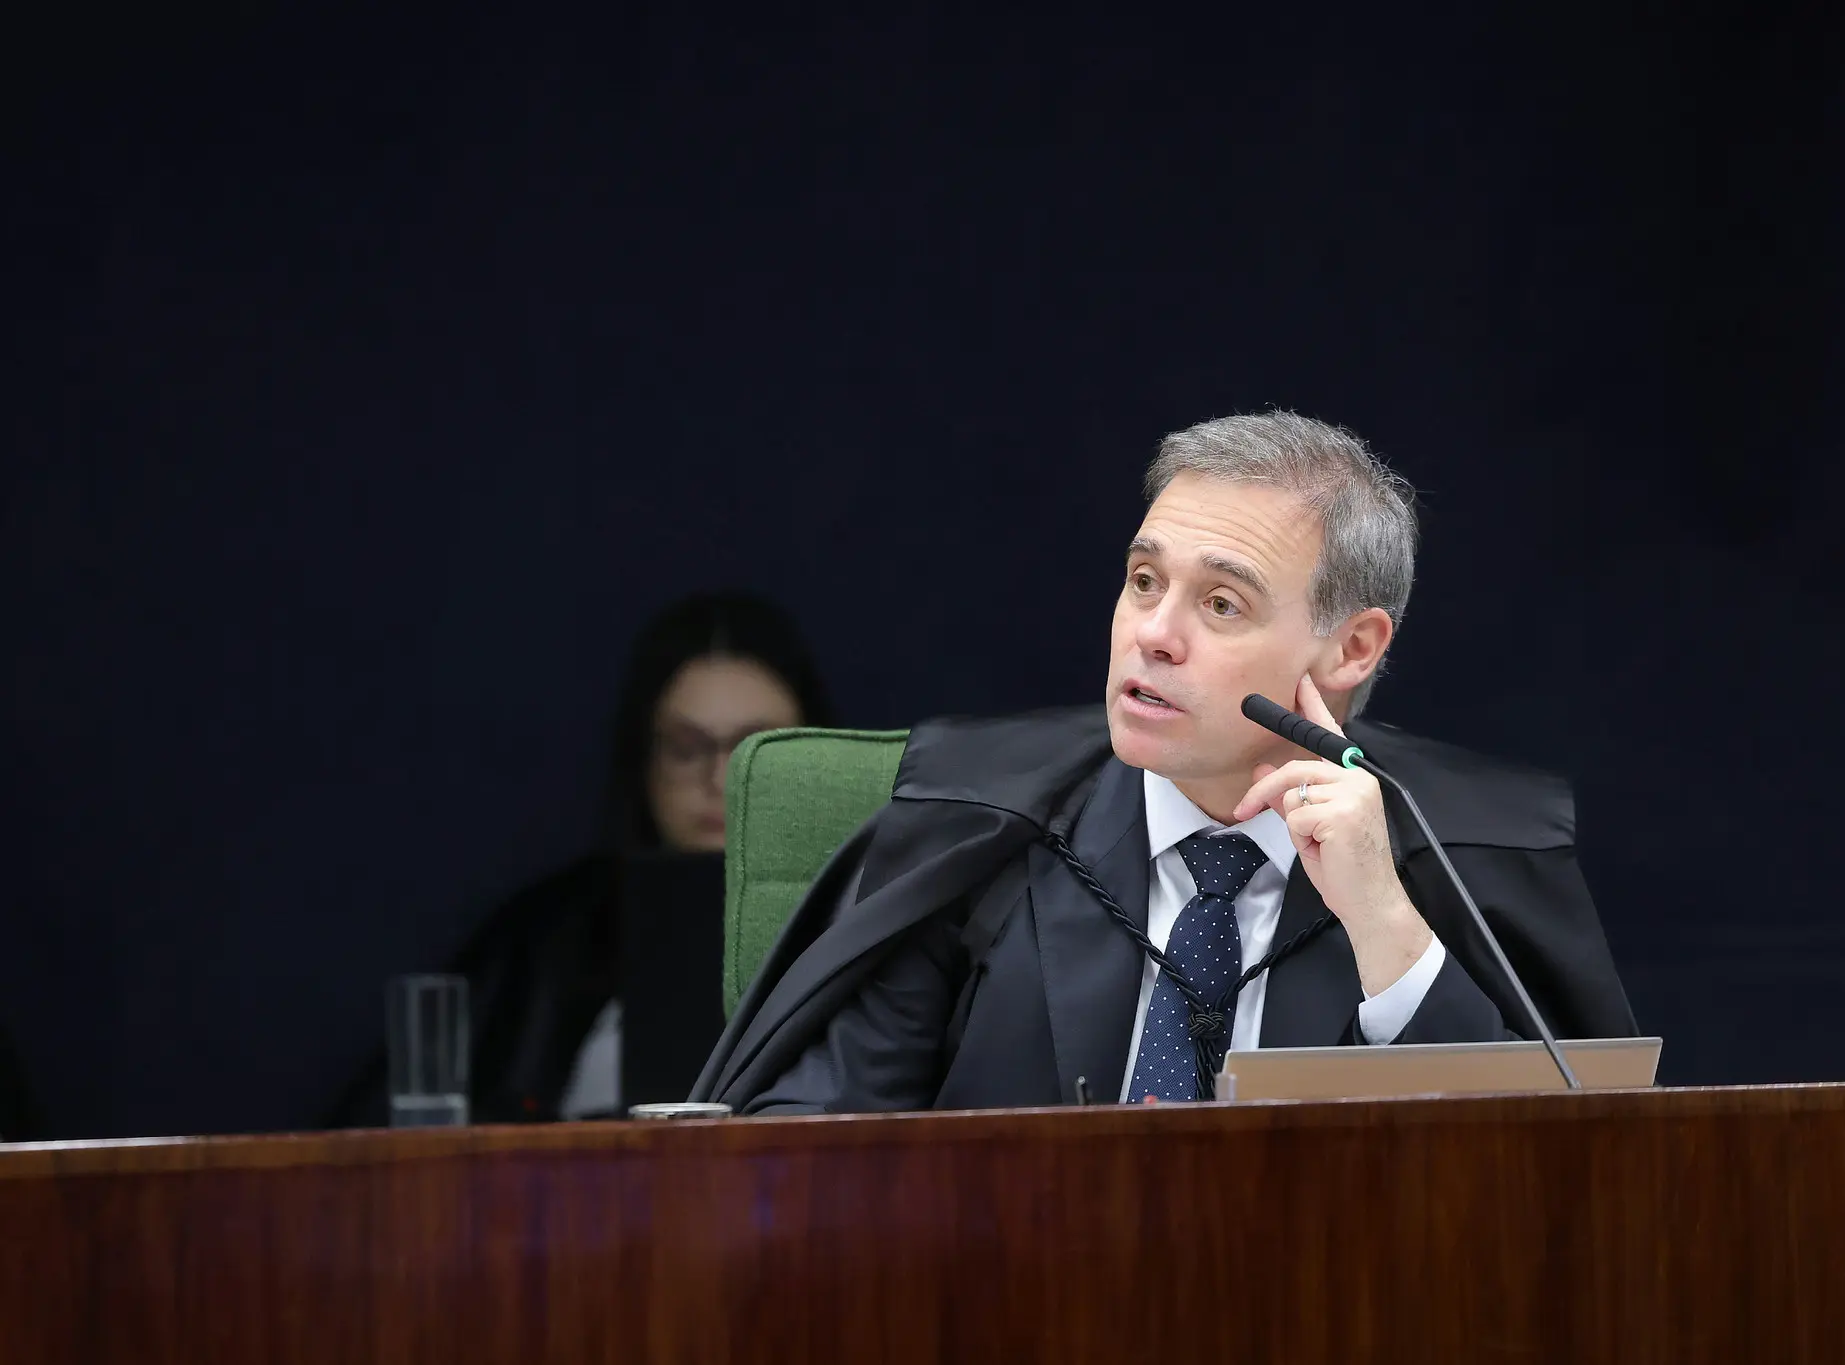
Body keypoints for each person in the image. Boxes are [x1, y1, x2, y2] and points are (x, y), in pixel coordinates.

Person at [696, 412, 1636, 1114]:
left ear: (1352, 648)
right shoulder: (975, 821)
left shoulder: (1466, 855)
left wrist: (1385, 923)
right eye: (1145, 581)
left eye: (1222, 604)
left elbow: (1570, 1192)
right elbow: (812, 1153)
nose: (1153, 633)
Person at [331, 591, 832, 1126]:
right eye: (687, 747)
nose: (720, 778)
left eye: (757, 748)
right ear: (643, 761)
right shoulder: (548, 940)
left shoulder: (869, 923)